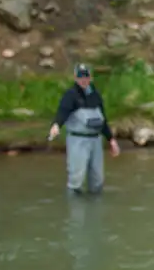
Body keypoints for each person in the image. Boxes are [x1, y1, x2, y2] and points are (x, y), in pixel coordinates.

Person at [48, 63, 119, 194]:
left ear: (90, 77)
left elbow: (103, 119)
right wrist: (56, 125)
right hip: (77, 141)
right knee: (77, 178)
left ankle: (95, 203)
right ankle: (74, 202)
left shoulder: (95, 95)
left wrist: (111, 140)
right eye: (80, 77)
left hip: (96, 141)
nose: (83, 80)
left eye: (86, 76)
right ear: (75, 78)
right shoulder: (70, 95)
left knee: (98, 180)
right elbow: (62, 112)